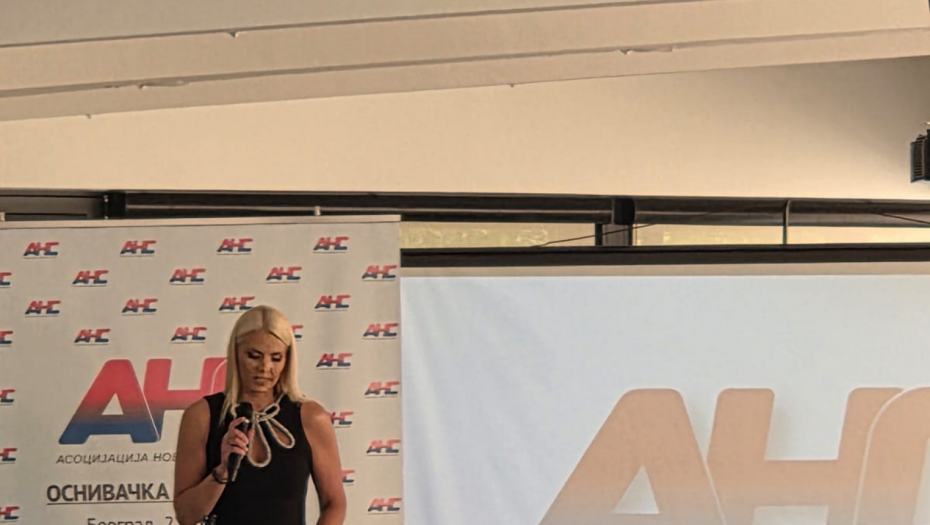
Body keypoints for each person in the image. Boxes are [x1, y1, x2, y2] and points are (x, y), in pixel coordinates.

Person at [173, 305, 347, 525]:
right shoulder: (201, 416)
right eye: (254, 356)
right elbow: (186, 516)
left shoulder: (310, 417)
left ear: (288, 360)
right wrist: (223, 470)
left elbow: (334, 503)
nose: (264, 367)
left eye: (276, 358)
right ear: (235, 354)